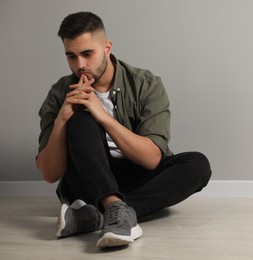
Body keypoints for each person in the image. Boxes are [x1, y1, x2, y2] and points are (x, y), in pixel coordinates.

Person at [36, 11, 211, 249]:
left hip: (137, 176)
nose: (80, 65)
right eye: (71, 56)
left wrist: (103, 116)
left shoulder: (146, 84)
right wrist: (62, 119)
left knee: (197, 164)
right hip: (87, 180)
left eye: (88, 54)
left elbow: (151, 159)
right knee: (80, 120)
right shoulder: (60, 93)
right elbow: (49, 173)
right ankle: (115, 210)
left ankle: (99, 215)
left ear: (107, 47)